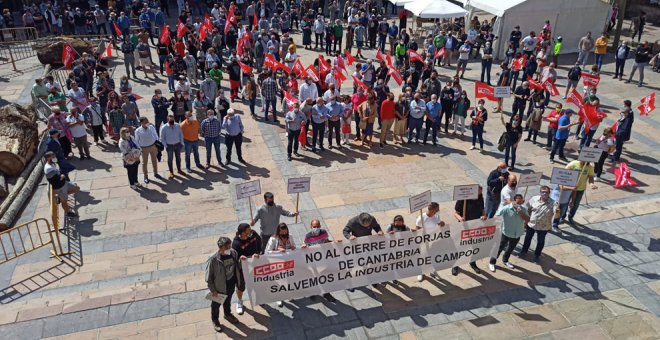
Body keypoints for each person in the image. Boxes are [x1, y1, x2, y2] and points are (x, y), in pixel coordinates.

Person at [205, 236, 243, 333]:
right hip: (219, 287)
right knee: (215, 305)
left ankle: (227, 314)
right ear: (220, 247)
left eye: (230, 246)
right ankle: (215, 320)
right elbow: (208, 277)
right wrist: (213, 290)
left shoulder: (233, 253)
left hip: (230, 283)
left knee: (228, 300)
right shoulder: (213, 260)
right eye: (227, 247)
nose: (229, 249)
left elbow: (236, 267)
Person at [489, 194, 529, 272]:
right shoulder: (506, 208)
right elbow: (496, 216)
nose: (518, 205)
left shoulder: (524, 209)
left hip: (517, 233)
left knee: (511, 248)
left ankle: (505, 260)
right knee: (500, 248)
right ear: (514, 201)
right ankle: (492, 262)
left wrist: (521, 213)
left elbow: (527, 220)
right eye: (517, 202)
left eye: (520, 202)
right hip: (506, 232)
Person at [452, 186, 487, 275]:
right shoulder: (463, 199)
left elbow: (483, 209)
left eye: (480, 192)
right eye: (478, 192)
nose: (479, 194)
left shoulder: (480, 198)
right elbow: (456, 213)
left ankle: (472, 262)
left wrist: (484, 215)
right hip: (464, 227)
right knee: (460, 247)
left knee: (474, 246)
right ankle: (455, 265)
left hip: (475, 226)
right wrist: (461, 218)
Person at [302, 219, 337, 302]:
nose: (316, 228)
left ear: (320, 226)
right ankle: (313, 291)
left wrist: (336, 243)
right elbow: (305, 244)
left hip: (323, 260)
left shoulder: (324, 232)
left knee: (324, 277)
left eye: (318, 226)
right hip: (313, 261)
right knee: (314, 277)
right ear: (311, 227)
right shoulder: (308, 236)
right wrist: (304, 246)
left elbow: (327, 241)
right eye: (314, 226)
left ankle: (326, 294)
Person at [554, 161, 597, 228]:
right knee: (565, 204)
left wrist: (592, 184)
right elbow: (564, 173)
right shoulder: (573, 164)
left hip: (580, 189)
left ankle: (570, 217)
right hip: (569, 188)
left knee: (575, 205)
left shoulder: (590, 167)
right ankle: (562, 216)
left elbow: (590, 177)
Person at [518, 186, 554, 263]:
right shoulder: (534, 199)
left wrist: (558, 212)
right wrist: (526, 220)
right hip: (532, 224)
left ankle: (537, 255)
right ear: (540, 192)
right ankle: (524, 251)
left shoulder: (553, 203)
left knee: (541, 242)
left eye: (546, 192)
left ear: (549, 193)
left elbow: (557, 214)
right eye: (542, 192)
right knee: (528, 238)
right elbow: (527, 208)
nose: (544, 193)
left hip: (544, 227)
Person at [414, 202, 446, 281]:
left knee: (433, 256)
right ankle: (421, 272)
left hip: (434, 240)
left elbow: (439, 224)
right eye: (436, 209)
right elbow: (417, 230)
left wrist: (442, 223)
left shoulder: (436, 216)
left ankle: (433, 271)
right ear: (431, 210)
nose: (438, 211)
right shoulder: (421, 218)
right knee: (423, 256)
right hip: (424, 241)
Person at [44, 151, 80, 218]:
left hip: (64, 183)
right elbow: (55, 180)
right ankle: (68, 213)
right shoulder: (48, 169)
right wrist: (62, 176)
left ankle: (60, 197)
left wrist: (62, 176)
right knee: (64, 201)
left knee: (77, 188)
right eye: (53, 157)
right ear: (48, 158)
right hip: (59, 187)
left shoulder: (53, 163)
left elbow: (58, 172)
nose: (55, 158)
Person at [134, 117, 161, 183]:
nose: (147, 123)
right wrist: (139, 150)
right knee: (144, 163)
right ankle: (145, 176)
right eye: (145, 122)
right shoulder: (138, 131)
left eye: (147, 121)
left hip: (153, 146)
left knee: (154, 160)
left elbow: (155, 135)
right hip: (144, 148)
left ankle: (156, 173)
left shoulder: (151, 127)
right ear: (141, 123)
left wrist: (157, 144)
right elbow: (137, 141)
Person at [159, 114, 184, 179]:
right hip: (169, 146)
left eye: (173, 120)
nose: (172, 122)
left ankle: (179, 169)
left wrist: (181, 143)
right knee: (170, 159)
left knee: (178, 158)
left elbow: (181, 134)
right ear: (167, 120)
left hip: (177, 145)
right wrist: (166, 146)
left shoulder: (177, 125)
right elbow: (162, 138)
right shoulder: (164, 127)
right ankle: (171, 172)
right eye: (170, 121)